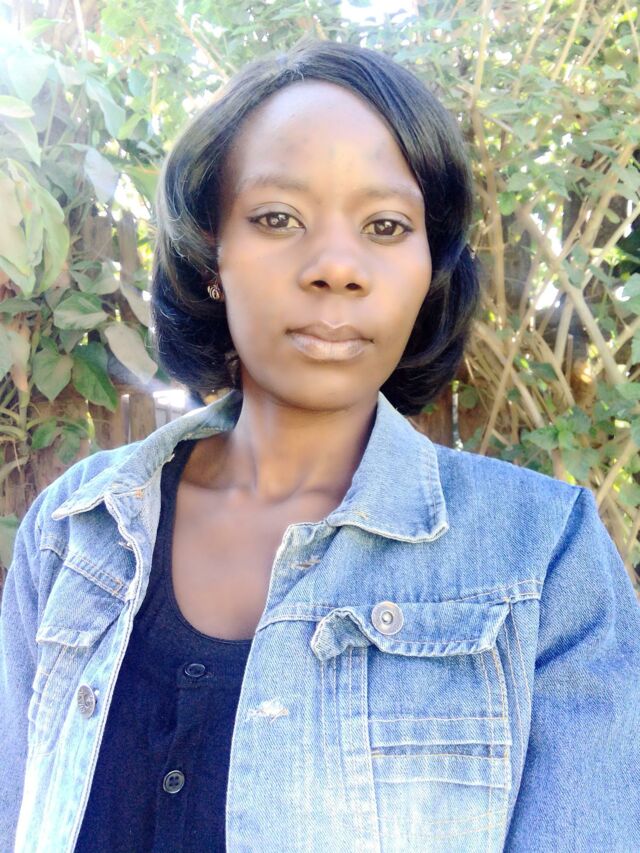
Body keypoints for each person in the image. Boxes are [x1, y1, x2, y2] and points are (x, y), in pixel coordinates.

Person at [1, 38, 639, 853]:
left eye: (386, 225)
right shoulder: (75, 528)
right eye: (278, 218)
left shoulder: (545, 560)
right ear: (211, 256)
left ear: (429, 268)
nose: (337, 266)